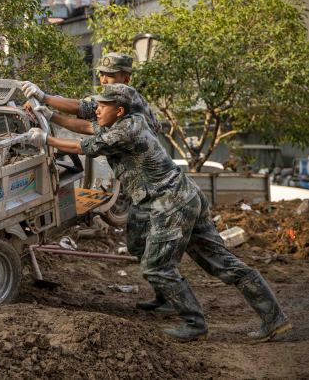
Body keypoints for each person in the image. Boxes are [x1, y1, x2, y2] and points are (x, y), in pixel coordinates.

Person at [24, 83, 291, 343]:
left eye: (102, 106)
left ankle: (194, 324)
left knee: (157, 267)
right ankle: (274, 317)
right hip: (184, 197)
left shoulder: (123, 133)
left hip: (170, 203)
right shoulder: (125, 121)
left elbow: (85, 146)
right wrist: (50, 113)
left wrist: (46, 138)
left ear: (118, 110)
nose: (96, 109)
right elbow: (85, 126)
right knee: (218, 260)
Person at [22, 53, 170, 314]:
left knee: (166, 248)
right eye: (101, 74)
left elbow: (85, 127)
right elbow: (87, 124)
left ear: (126, 78)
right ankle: (166, 295)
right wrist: (49, 113)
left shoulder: (128, 100)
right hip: (141, 191)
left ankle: (183, 308)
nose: (103, 79)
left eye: (110, 75)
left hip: (160, 192)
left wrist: (45, 105)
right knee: (140, 245)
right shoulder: (116, 104)